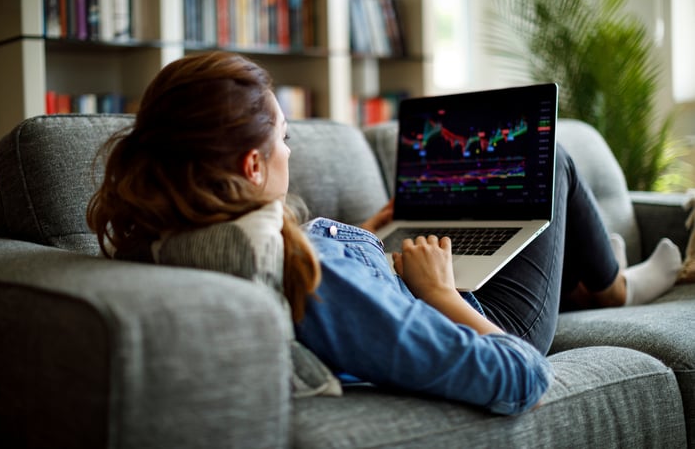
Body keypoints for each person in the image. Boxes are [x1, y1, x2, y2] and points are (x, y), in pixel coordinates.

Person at [87, 51, 682, 415]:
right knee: (551, 161)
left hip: (408, 272)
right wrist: (440, 293)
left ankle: (582, 283)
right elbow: (520, 373)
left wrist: (365, 238)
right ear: (250, 165)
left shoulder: (170, 237)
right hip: (481, 311)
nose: (289, 151)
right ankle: (611, 290)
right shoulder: (315, 281)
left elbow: (327, 273)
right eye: (285, 140)